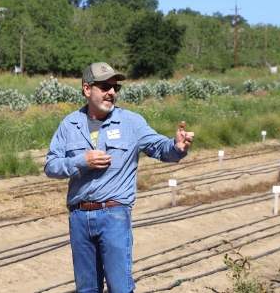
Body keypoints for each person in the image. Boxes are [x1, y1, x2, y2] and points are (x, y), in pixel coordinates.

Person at [44, 62, 194, 293]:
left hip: (114, 215)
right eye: (105, 86)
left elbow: (158, 147)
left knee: (120, 288)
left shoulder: (131, 122)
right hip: (79, 217)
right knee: (86, 289)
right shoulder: (69, 125)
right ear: (87, 89)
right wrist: (82, 161)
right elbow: (51, 166)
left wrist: (177, 146)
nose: (112, 92)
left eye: (115, 88)